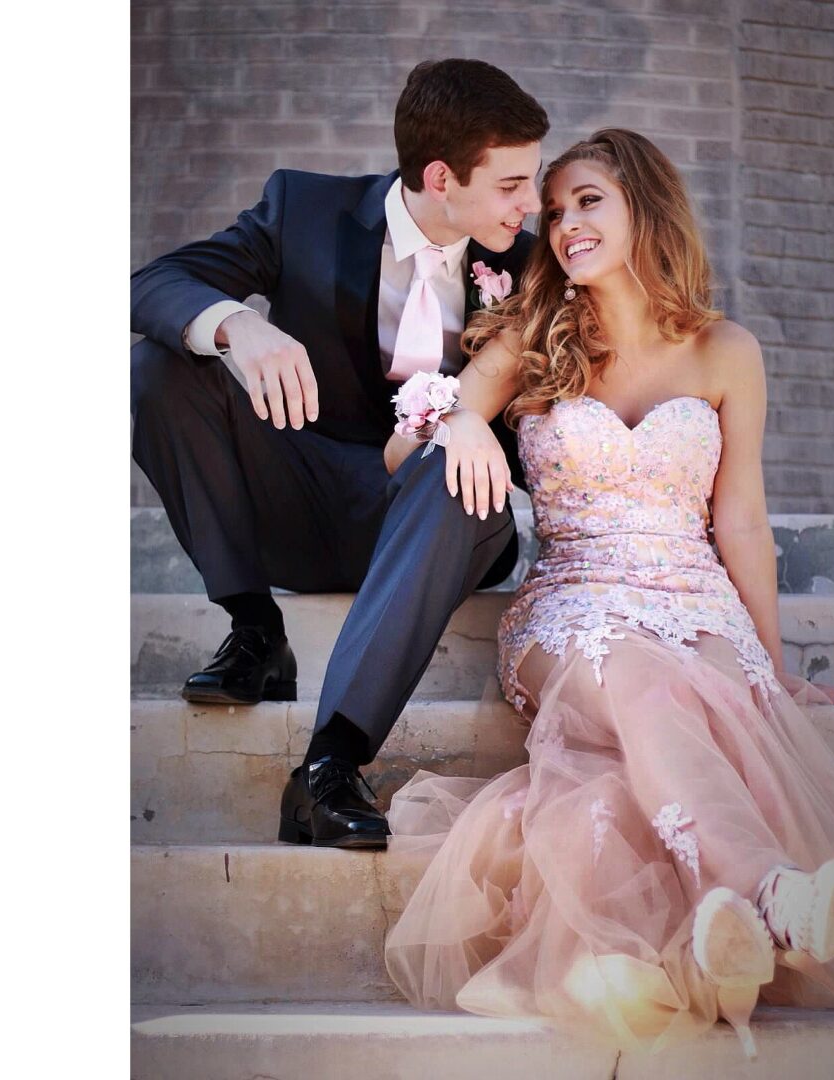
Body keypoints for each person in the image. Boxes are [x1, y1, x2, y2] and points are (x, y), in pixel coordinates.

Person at [381, 129, 834, 1058]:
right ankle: (771, 891)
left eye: (587, 200)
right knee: (639, 675)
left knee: (682, 719)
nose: (564, 225)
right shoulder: (531, 338)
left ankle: (694, 960)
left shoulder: (727, 352)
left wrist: (773, 661)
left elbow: (742, 522)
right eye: (553, 212)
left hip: (697, 597)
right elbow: (406, 450)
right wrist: (462, 425)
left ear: (643, 202)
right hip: (573, 605)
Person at [130, 59, 549, 849]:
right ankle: (255, 632)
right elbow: (153, 283)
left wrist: (470, 415)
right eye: (511, 185)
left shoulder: (527, 268)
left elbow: (546, 446)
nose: (532, 204)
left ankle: (330, 763)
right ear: (440, 176)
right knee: (155, 369)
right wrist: (235, 325)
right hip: (306, 497)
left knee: (463, 481)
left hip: (438, 518)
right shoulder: (304, 211)